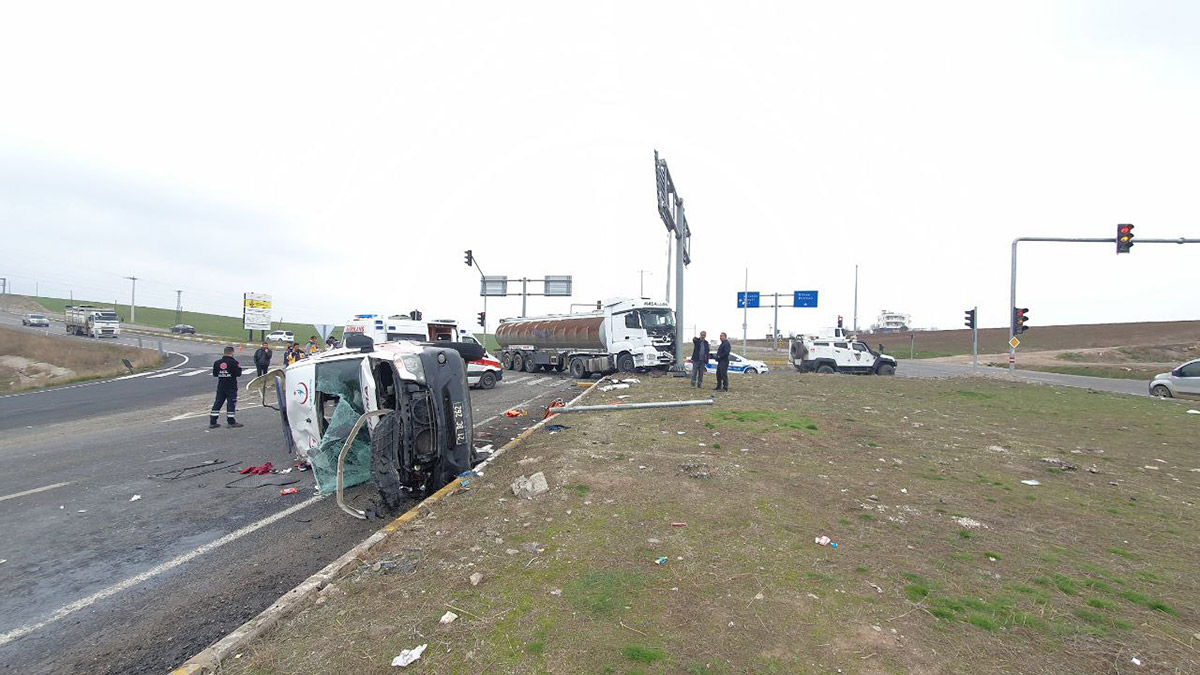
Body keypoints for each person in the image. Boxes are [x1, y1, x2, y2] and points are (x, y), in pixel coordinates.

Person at [210, 346, 244, 429]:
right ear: (232, 352)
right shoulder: (234, 362)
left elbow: (215, 374)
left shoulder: (217, 362)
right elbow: (238, 374)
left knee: (217, 403)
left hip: (221, 386)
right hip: (231, 386)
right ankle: (231, 422)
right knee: (231, 403)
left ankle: (213, 421)